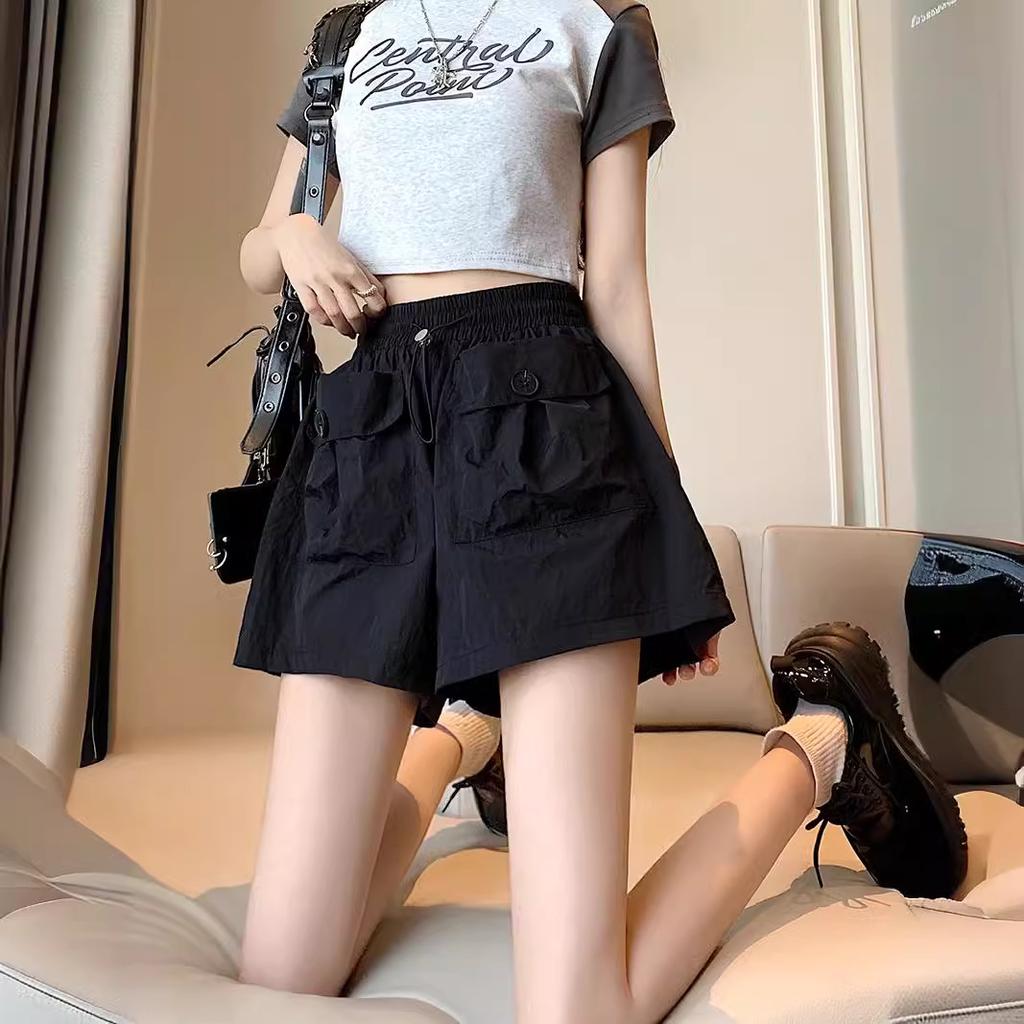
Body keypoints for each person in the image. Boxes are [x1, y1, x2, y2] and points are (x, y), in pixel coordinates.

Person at [231, 3, 968, 1021]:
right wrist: (294, 233)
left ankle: (822, 746)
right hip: (370, 443)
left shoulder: (596, 25)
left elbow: (615, 284)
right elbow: (257, 250)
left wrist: (668, 543)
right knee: (281, 978)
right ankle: (467, 739)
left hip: (545, 431)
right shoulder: (350, 33)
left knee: (581, 1007)